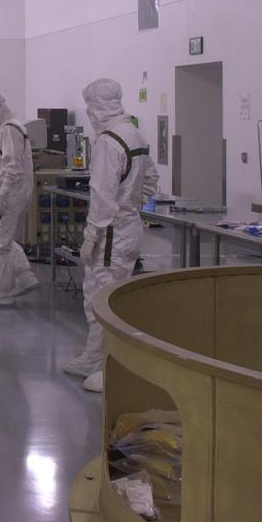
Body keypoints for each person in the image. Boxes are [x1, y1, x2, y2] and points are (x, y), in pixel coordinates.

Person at [64, 79, 159, 392]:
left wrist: (91, 237)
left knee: (103, 297)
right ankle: (93, 358)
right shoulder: (133, 133)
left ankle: (109, 366)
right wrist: (131, 206)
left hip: (111, 234)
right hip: (128, 227)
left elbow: (102, 198)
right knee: (104, 292)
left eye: (90, 106)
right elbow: (151, 180)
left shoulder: (108, 140)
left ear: (97, 106)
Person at [0, 91, 42, 307]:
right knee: (5, 237)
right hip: (9, 192)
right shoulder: (8, 128)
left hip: (10, 195)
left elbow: (13, 167)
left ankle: (0, 292)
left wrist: (2, 195)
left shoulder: (10, 129)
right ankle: (25, 276)